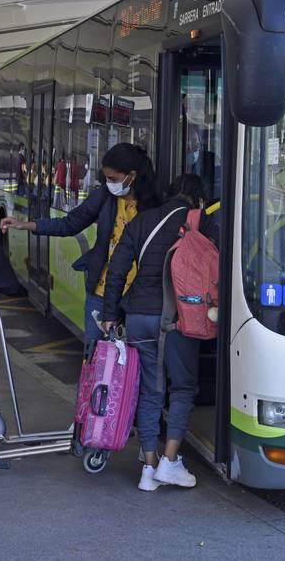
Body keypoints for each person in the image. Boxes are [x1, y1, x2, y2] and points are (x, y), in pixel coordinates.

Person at [99, 173, 217, 492]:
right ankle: (170, 461)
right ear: (198, 200)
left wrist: (110, 313)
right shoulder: (200, 220)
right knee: (182, 388)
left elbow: (117, 269)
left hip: (137, 315)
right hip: (176, 318)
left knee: (150, 389)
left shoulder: (141, 220)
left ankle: (148, 467)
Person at [0, 143, 158, 344]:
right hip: (101, 293)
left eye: (113, 179)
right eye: (106, 178)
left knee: (131, 363)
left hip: (137, 297)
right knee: (95, 356)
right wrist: (25, 225)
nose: (109, 183)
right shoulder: (105, 197)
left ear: (132, 176)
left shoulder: (154, 205)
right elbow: (69, 224)